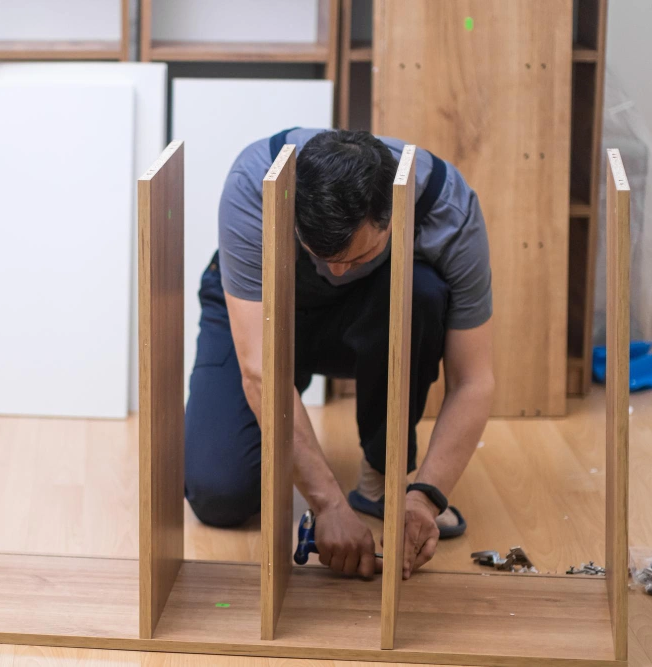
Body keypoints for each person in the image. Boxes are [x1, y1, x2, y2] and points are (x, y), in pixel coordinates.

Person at [184, 128, 495, 580]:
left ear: (393, 215)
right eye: (320, 254)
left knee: (421, 292)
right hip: (264, 315)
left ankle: (381, 476)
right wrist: (326, 503)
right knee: (219, 495)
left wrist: (427, 495)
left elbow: (474, 380)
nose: (335, 272)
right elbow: (260, 368)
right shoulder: (255, 185)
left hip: (367, 319)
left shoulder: (449, 211)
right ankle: (328, 486)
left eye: (357, 255)